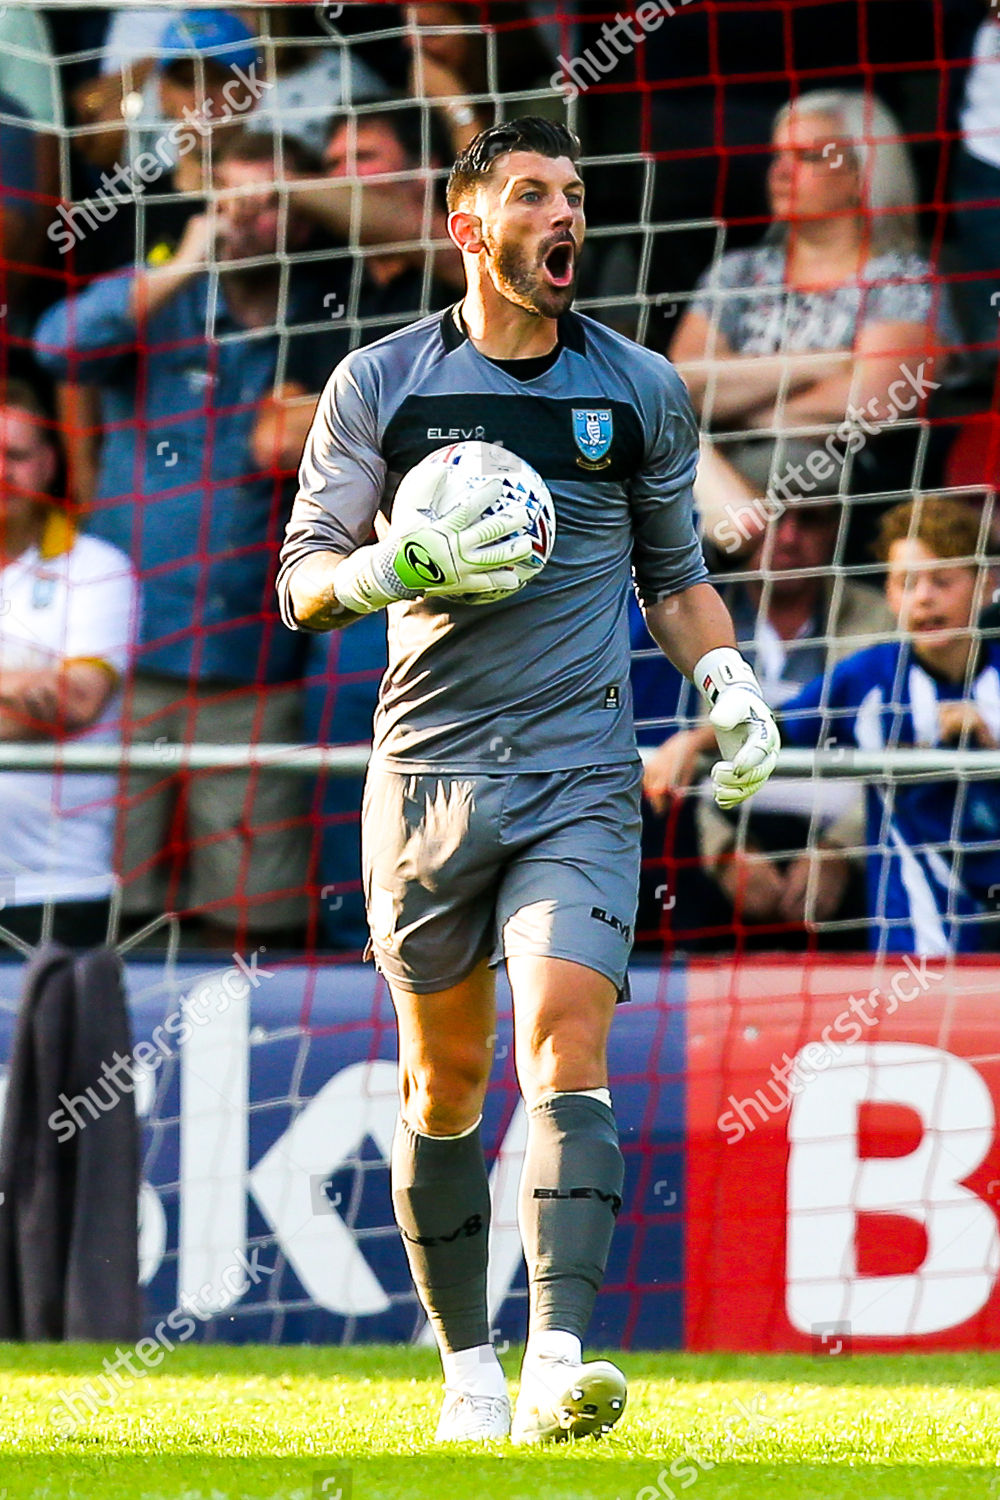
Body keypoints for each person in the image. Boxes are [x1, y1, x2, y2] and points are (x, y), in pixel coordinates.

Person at [276, 117, 780, 1443]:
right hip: (428, 777)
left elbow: (676, 582)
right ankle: (469, 1375)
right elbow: (303, 581)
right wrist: (382, 573)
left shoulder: (641, 390)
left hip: (578, 777)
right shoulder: (379, 385)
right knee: (443, 1083)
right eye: (534, 195)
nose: (567, 215)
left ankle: (559, 1356)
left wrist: (725, 682)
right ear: (468, 227)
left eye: (577, 195)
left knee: (566, 1040)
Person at [34, 129, 351, 948]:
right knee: (111, 908)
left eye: (269, 202)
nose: (247, 219)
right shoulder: (161, 302)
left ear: (305, 220)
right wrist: (184, 257)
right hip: (129, 666)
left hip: (254, 671)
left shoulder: (326, 321)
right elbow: (57, 345)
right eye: (231, 201)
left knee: (259, 919)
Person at [668, 90, 958, 562]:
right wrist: (819, 365)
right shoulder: (737, 272)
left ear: (863, 174)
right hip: (717, 472)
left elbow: (874, 404)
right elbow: (680, 387)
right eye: (779, 156)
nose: (782, 172)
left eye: (808, 157)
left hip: (838, 485)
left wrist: (735, 405)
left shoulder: (903, 279)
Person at [642, 497, 894, 942]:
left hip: (845, 844)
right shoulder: (693, 619)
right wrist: (723, 852)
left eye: (810, 519)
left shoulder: (882, 616)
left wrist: (840, 852)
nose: (790, 537)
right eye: (772, 518)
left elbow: (897, 751)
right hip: (728, 832)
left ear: (838, 527)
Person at [780, 494, 1000, 956]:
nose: (923, 597)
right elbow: (775, 731)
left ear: (984, 586)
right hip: (914, 945)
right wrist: (691, 742)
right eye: (907, 582)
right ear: (889, 593)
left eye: (942, 581)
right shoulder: (869, 679)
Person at [0, 380, 138, 950]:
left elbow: (73, 703)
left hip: (55, 886)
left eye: (16, 456)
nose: (2, 473)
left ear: (49, 463)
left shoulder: (97, 568)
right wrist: (22, 687)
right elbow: (39, 702)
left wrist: (47, 698)